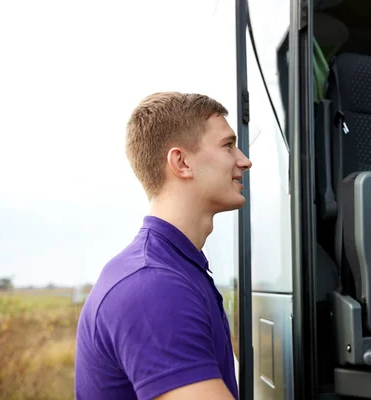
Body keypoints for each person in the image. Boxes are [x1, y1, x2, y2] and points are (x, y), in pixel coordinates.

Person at [74, 92, 251, 400]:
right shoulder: (155, 287)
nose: (244, 160)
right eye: (228, 145)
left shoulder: (177, 269)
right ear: (181, 162)